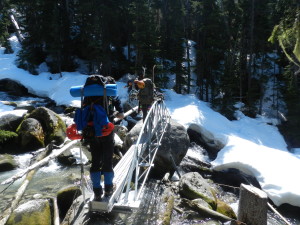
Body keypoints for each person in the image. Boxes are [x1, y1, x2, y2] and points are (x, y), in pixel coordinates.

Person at [82, 75, 124, 201]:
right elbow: (121, 114)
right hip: (106, 131)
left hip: (91, 132)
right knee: (107, 161)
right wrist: (116, 114)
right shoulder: (111, 95)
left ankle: (97, 191)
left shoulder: (88, 96)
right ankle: (109, 188)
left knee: (95, 161)